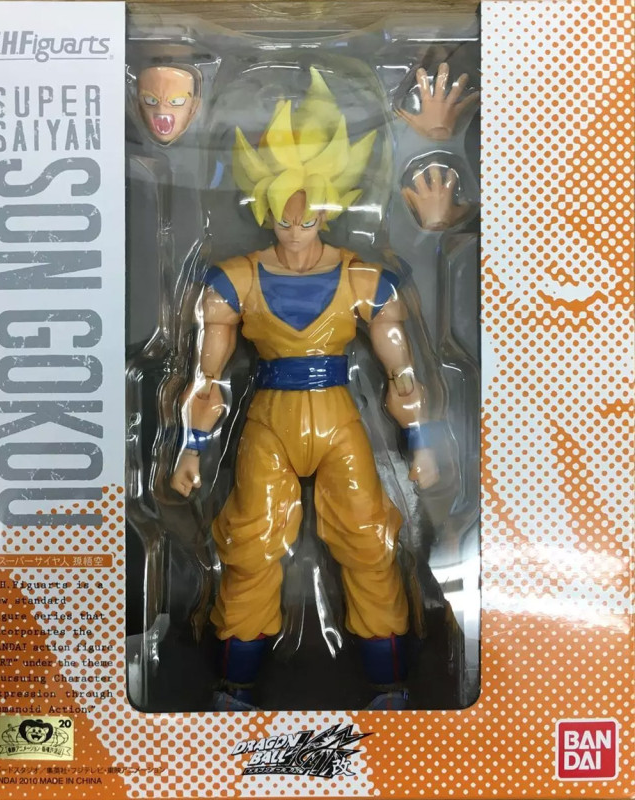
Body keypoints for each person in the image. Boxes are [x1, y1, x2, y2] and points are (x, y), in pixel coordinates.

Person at [171, 68, 439, 710]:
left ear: (330, 204)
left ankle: (389, 688)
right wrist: (191, 447)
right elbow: (206, 378)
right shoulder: (234, 280)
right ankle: (235, 689)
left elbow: (403, 373)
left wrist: (422, 442)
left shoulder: (364, 277)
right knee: (250, 547)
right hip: (269, 421)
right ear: (264, 203)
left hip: (339, 418)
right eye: (284, 211)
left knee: (369, 542)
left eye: (309, 210)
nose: (295, 225)